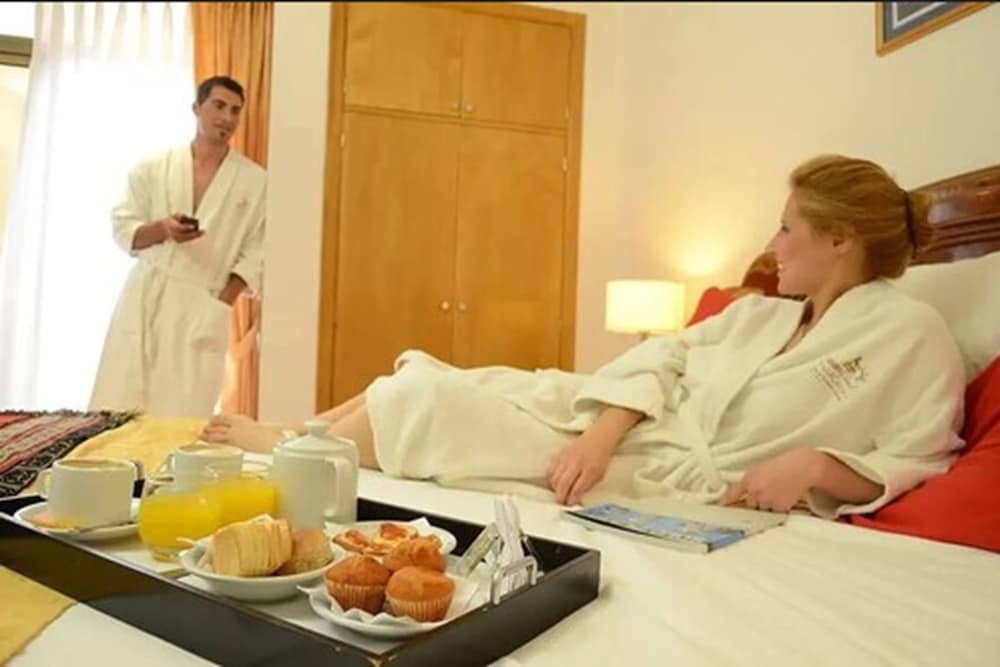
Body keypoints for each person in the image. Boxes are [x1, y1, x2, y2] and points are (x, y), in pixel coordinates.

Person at [203, 155, 965, 518]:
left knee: (430, 402)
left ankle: (289, 450)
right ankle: (296, 436)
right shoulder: (762, 313)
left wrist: (817, 466)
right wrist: (602, 430)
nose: (773, 245)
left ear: (840, 239)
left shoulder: (910, 334)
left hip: (664, 471)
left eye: (787, 227)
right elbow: (663, 353)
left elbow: (922, 453)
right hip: (620, 427)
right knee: (450, 378)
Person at [90, 76, 266, 419]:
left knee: (185, 409)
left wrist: (223, 301)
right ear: (197, 108)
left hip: (204, 299)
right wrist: (163, 229)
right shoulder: (153, 169)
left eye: (235, 110)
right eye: (218, 106)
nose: (227, 118)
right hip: (147, 291)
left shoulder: (256, 182)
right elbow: (123, 228)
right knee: (121, 400)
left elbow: (258, 251)